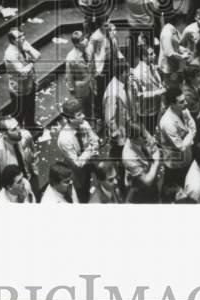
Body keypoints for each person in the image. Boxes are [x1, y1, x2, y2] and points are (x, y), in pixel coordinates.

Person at [57, 96, 101, 203]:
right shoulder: (65, 139)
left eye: (82, 112)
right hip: (76, 172)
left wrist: (90, 149)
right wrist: (91, 149)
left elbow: (95, 140)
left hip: (88, 161)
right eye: (79, 115)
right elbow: (77, 163)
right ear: (70, 119)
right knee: (82, 191)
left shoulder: (84, 124)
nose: (84, 116)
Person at [158, 86, 197, 202]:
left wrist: (189, 136)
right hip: (174, 163)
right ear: (172, 104)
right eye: (181, 101)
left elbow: (194, 128)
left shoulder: (183, 109)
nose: (185, 103)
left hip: (187, 156)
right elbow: (181, 146)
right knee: (174, 192)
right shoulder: (167, 122)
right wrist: (190, 135)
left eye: (184, 99)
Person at [0, 117, 36, 201]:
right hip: (12, 193)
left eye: (18, 126)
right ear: (5, 134)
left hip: (27, 181)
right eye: (14, 129)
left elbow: (32, 153)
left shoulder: (23, 136)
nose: (19, 130)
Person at [103, 59, 132, 193]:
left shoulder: (120, 85)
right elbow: (110, 118)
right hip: (119, 135)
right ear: (122, 73)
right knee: (119, 160)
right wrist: (119, 138)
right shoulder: (113, 92)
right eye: (127, 72)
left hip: (124, 126)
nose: (129, 74)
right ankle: (120, 184)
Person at [4, 29, 40, 128]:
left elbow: (37, 55)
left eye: (22, 34)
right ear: (12, 40)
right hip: (19, 88)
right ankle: (20, 132)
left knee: (31, 107)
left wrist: (28, 51)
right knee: (19, 113)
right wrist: (32, 63)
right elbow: (22, 70)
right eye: (19, 37)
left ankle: (31, 126)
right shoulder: (10, 53)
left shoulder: (24, 43)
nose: (23, 37)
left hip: (29, 82)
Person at [122, 123, 162, 203]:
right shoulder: (129, 157)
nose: (146, 138)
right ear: (133, 139)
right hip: (140, 186)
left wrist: (154, 162)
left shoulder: (143, 133)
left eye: (145, 134)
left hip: (151, 173)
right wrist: (156, 164)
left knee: (155, 196)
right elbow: (147, 181)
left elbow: (155, 149)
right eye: (143, 137)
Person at [65, 31, 94, 117]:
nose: (85, 40)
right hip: (79, 87)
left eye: (84, 38)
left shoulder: (87, 49)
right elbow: (69, 76)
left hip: (89, 83)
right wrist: (72, 90)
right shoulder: (71, 57)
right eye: (82, 40)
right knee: (81, 108)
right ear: (76, 44)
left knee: (89, 104)